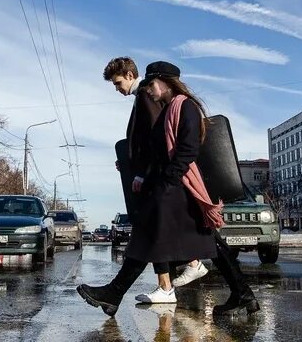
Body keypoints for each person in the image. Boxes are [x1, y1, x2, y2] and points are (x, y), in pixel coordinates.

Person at [78, 61, 259, 317]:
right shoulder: (169, 110)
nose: (148, 89)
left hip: (177, 186)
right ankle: (243, 295)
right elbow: (156, 149)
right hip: (171, 185)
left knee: (152, 235)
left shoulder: (185, 107)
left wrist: (167, 183)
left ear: (165, 82)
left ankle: (114, 293)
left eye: (151, 84)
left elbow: (187, 151)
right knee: (202, 242)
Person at [103, 57, 208, 287]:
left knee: (153, 227)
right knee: (157, 227)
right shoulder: (146, 94)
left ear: (130, 75)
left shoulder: (145, 93)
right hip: (160, 171)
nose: (117, 89)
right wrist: (128, 162)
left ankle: (169, 283)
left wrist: (141, 172)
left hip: (159, 172)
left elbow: (153, 137)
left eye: (117, 83)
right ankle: (170, 283)